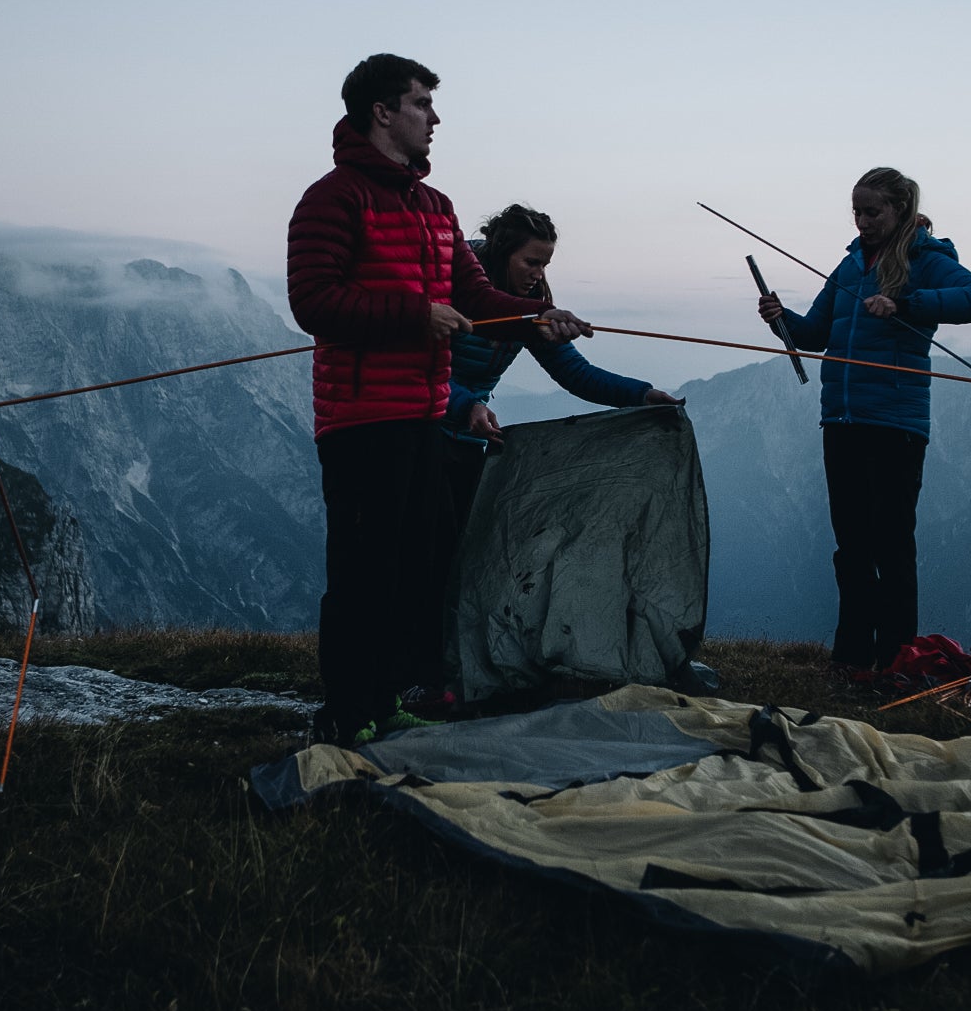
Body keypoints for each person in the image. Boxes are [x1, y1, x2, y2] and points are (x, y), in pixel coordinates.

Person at [287, 54, 590, 745]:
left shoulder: (436, 207)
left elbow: (475, 295)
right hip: (362, 417)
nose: (435, 116)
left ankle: (390, 697)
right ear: (383, 112)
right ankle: (344, 712)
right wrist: (414, 315)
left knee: (414, 567)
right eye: (422, 102)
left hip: (424, 412)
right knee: (361, 569)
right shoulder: (331, 198)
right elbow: (313, 302)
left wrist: (534, 316)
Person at [757, 167, 971, 671]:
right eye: (857, 212)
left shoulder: (927, 259)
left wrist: (905, 302)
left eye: (873, 211)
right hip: (841, 420)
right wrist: (782, 318)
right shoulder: (848, 268)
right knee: (851, 546)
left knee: (891, 544)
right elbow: (815, 334)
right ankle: (851, 657)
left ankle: (896, 658)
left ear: (900, 210)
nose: (862, 221)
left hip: (895, 423)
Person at [443, 203, 683, 526]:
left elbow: (576, 373)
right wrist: (466, 405)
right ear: (502, 254)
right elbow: (417, 368)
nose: (538, 273)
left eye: (544, 264)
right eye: (531, 262)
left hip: (471, 440)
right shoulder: (451, 286)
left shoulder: (533, 311)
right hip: (425, 432)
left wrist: (641, 395)